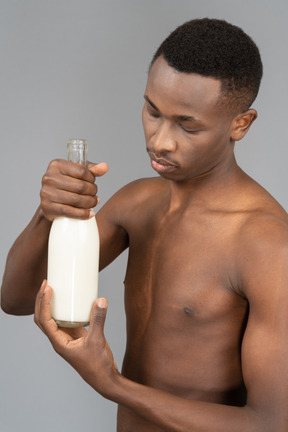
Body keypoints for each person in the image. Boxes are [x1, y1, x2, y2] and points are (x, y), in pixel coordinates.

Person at [1, 18, 288, 431]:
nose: (160, 140)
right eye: (153, 111)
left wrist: (113, 385)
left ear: (240, 124)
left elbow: (270, 424)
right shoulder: (137, 203)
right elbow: (16, 297)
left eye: (187, 124)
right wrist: (47, 213)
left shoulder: (265, 242)